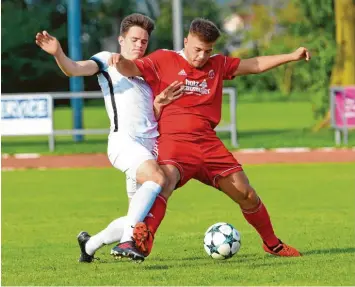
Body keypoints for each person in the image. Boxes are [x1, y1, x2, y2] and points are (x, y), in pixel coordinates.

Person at [109, 18, 311, 258]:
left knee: (246, 194)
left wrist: (291, 56)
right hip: (175, 143)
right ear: (186, 41)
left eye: (208, 51)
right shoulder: (163, 59)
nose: (202, 56)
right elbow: (131, 69)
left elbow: (254, 64)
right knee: (163, 182)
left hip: (209, 145)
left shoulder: (218, 64)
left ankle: (272, 243)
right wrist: (119, 62)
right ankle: (141, 244)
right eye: (197, 50)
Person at [35, 13, 183, 262]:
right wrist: (58, 53)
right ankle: (128, 242)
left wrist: (159, 103)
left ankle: (89, 246)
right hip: (124, 144)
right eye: (134, 39)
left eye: (144, 41)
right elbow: (74, 69)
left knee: (138, 216)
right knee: (156, 179)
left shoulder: (148, 72)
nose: (139, 45)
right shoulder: (107, 60)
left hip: (149, 148)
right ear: (121, 39)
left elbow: (150, 118)